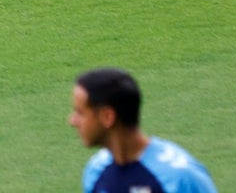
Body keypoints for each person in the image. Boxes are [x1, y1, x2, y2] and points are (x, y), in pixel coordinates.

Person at [70, 68, 218, 193]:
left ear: (108, 117)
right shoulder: (95, 170)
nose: (72, 121)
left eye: (80, 113)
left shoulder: (179, 177)